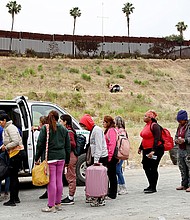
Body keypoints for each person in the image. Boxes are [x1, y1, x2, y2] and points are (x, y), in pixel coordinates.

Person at [35, 110, 70, 212]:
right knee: (59, 180)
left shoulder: (45, 128)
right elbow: (67, 146)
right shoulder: (63, 129)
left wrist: (36, 158)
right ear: (58, 118)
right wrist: (67, 160)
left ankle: (51, 205)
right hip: (61, 157)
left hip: (50, 158)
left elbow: (40, 144)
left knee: (51, 182)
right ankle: (58, 203)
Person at [79, 114, 108, 207]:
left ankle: (100, 198)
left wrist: (96, 160)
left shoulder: (97, 131)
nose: (84, 128)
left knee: (100, 179)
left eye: (84, 125)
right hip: (96, 156)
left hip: (100, 157)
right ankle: (95, 196)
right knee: (95, 179)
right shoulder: (92, 130)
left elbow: (99, 146)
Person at [0, 112, 26, 206]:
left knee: (12, 177)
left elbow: (15, 141)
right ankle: (16, 198)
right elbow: (9, 141)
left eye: (0, 121)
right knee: (14, 177)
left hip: (16, 154)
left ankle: (12, 200)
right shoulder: (8, 127)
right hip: (15, 154)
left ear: (4, 120)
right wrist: (3, 146)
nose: (0, 123)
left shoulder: (10, 128)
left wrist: (6, 148)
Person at [138, 110, 164, 194]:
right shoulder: (146, 126)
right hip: (146, 149)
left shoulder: (155, 126)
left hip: (155, 150)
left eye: (146, 116)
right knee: (145, 166)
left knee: (153, 167)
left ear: (150, 118)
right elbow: (145, 138)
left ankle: (153, 187)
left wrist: (153, 150)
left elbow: (157, 139)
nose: (144, 117)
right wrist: (140, 147)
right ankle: (150, 184)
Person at [60, 114, 77, 205]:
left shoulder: (69, 132)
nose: (60, 123)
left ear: (65, 122)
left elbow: (72, 144)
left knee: (70, 176)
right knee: (69, 176)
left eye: (61, 121)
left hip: (70, 156)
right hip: (70, 156)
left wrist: (64, 143)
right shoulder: (68, 131)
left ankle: (71, 197)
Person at [103, 115, 119, 199]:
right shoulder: (109, 130)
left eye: (104, 122)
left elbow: (112, 144)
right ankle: (110, 191)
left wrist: (109, 156)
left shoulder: (112, 131)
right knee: (110, 174)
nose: (103, 124)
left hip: (111, 156)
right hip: (109, 155)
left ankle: (113, 193)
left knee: (112, 175)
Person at [175, 110, 190, 192]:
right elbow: (176, 135)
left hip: (188, 150)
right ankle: (184, 184)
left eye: (181, 120)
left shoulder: (189, 126)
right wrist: (176, 140)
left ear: (185, 119)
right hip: (181, 149)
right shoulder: (180, 126)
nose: (180, 122)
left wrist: (185, 140)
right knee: (182, 167)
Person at [115, 116, 128, 195]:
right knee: (119, 170)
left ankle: (122, 187)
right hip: (120, 153)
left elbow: (120, 144)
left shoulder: (120, 132)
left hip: (119, 153)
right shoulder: (122, 131)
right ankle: (120, 186)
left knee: (118, 170)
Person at [0, 125, 10, 202]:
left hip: (2, 151)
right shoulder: (4, 129)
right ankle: (6, 192)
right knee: (6, 171)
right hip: (5, 151)